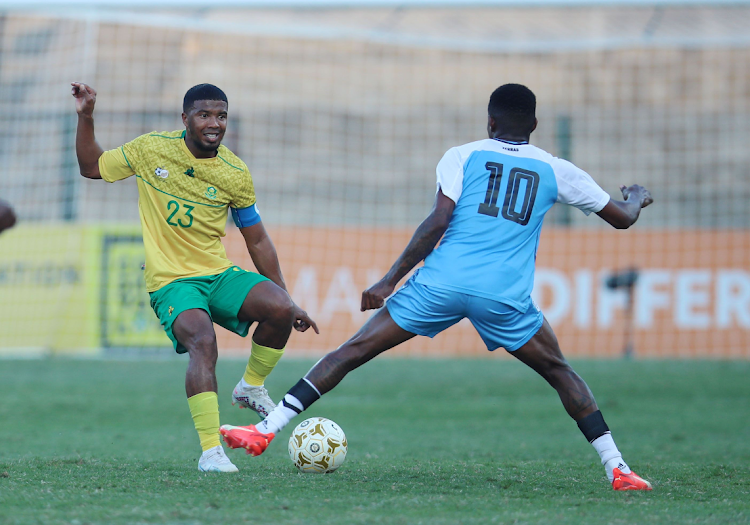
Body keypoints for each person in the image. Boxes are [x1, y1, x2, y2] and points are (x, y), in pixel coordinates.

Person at [220, 84, 654, 491]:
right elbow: (622, 217)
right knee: (560, 371)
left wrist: (390, 280)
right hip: (502, 296)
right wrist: (635, 196)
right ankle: (617, 467)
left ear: (489, 122)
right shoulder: (557, 170)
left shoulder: (462, 156)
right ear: (535, 126)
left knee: (351, 352)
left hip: (440, 285)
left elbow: (438, 221)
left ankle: (264, 430)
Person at [71, 82, 318, 473]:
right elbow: (91, 167)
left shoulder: (234, 172)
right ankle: (210, 453)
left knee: (280, 309)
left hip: (216, 274)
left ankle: (251, 386)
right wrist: (86, 115)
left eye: (221, 115)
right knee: (203, 341)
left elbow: (256, 239)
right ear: (185, 119)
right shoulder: (151, 149)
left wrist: (287, 297)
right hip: (171, 281)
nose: (214, 123)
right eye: (204, 115)